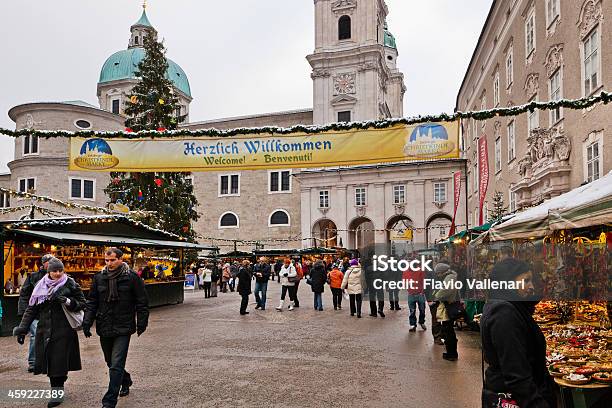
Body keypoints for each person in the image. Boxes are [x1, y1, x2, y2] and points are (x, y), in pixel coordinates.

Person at [481, 258, 557, 408]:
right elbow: (516, 373)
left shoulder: (505, 304)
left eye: (531, 280)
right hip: (515, 398)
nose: (531, 286)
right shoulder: (504, 313)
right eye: (526, 280)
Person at [13, 258, 86, 408]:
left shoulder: (70, 283)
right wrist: (22, 329)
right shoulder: (40, 286)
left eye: (60, 270)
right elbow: (31, 309)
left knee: (58, 362)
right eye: (54, 271)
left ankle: (56, 392)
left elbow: (83, 303)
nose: (58, 274)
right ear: (49, 272)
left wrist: (67, 301)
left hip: (64, 330)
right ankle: (59, 382)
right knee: (52, 362)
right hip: (44, 329)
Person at [82, 247, 149, 408]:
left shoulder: (131, 277)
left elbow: (142, 301)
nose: (109, 263)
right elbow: (92, 302)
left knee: (116, 363)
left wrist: (142, 322)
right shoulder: (99, 278)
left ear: (121, 259)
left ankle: (109, 401)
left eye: (113, 260)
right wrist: (87, 322)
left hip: (123, 326)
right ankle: (125, 380)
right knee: (110, 362)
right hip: (104, 324)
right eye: (107, 260)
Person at [18, 253, 53, 373]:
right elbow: (24, 294)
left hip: (48, 313)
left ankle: (46, 361)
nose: (50, 264)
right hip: (34, 312)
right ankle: (33, 362)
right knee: (35, 335)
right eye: (48, 262)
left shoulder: (57, 276)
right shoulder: (33, 276)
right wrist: (23, 312)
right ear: (43, 264)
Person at [433, 260, 460, 361]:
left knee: (448, 330)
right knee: (448, 330)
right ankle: (450, 352)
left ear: (443, 271)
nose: (438, 275)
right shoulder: (450, 276)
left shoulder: (450, 278)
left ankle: (452, 353)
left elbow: (445, 290)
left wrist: (437, 295)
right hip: (449, 305)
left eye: (438, 273)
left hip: (449, 306)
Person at [403, 266, 426, 332]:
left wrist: (422, 291)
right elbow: (404, 281)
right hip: (411, 294)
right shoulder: (405, 272)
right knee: (412, 311)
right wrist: (407, 287)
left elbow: (423, 281)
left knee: (422, 310)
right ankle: (413, 324)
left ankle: (421, 322)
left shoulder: (420, 271)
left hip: (420, 293)